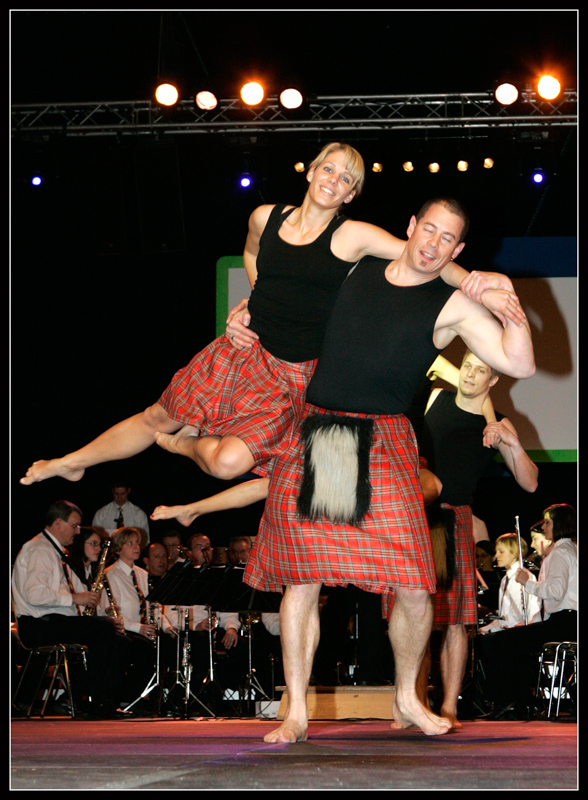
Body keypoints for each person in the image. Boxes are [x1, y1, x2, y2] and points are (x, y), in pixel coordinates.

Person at [20, 143, 524, 489]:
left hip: (292, 375)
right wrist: (254, 302)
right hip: (242, 350)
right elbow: (252, 254)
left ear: (351, 195)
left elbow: (424, 256)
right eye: (329, 169)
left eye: (346, 179)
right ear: (311, 171)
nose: (334, 180)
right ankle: (70, 462)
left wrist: (480, 283)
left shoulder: (352, 236)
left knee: (228, 463)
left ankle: (182, 446)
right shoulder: (266, 216)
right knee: (156, 413)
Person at [242, 196, 535, 743]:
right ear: (412, 226)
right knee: (303, 579)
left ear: (457, 250)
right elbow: (287, 280)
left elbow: (519, 362)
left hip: (385, 439)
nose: (433, 244)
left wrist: (509, 303)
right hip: (325, 431)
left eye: (447, 239)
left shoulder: (452, 306)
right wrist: (248, 313)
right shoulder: (358, 263)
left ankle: (407, 697)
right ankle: (296, 711)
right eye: (429, 229)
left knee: (416, 583)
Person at [386, 347, 539, 728]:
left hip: (454, 519)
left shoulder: (498, 425)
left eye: (479, 370)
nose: (470, 374)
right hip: (414, 515)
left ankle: (449, 708)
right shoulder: (436, 397)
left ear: (494, 379)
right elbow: (435, 364)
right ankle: (412, 702)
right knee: (410, 616)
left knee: (455, 621)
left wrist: (511, 442)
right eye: (467, 367)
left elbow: (530, 483)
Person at [11, 500, 125, 718]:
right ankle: (97, 701)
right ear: (58, 523)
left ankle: (82, 697)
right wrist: (75, 598)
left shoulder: (51, 550)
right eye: (74, 525)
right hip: (38, 625)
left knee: (106, 631)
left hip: (49, 621)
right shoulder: (40, 550)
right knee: (103, 630)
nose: (77, 531)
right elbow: (35, 595)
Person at [476, 504, 577, 718]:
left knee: (504, 642)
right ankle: (520, 701)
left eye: (547, 522)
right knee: (515, 641)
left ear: (559, 524)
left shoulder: (560, 553)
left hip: (564, 622)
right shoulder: (570, 550)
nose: (544, 526)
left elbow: (556, 591)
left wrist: (527, 583)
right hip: (568, 621)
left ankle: (513, 702)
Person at [102, 527, 160, 708]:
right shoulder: (111, 574)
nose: (136, 547)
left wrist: (165, 627)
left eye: (137, 543)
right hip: (123, 631)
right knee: (144, 650)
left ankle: (158, 699)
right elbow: (112, 613)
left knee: (169, 645)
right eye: (130, 543)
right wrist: (139, 628)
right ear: (118, 549)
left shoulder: (142, 574)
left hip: (142, 630)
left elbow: (152, 606)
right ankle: (130, 698)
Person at [479, 532, 540, 632]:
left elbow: (516, 618)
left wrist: (490, 631)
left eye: (501, 552)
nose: (496, 555)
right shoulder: (505, 579)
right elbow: (504, 617)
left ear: (515, 553)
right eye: (496, 551)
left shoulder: (522, 577)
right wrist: (485, 629)